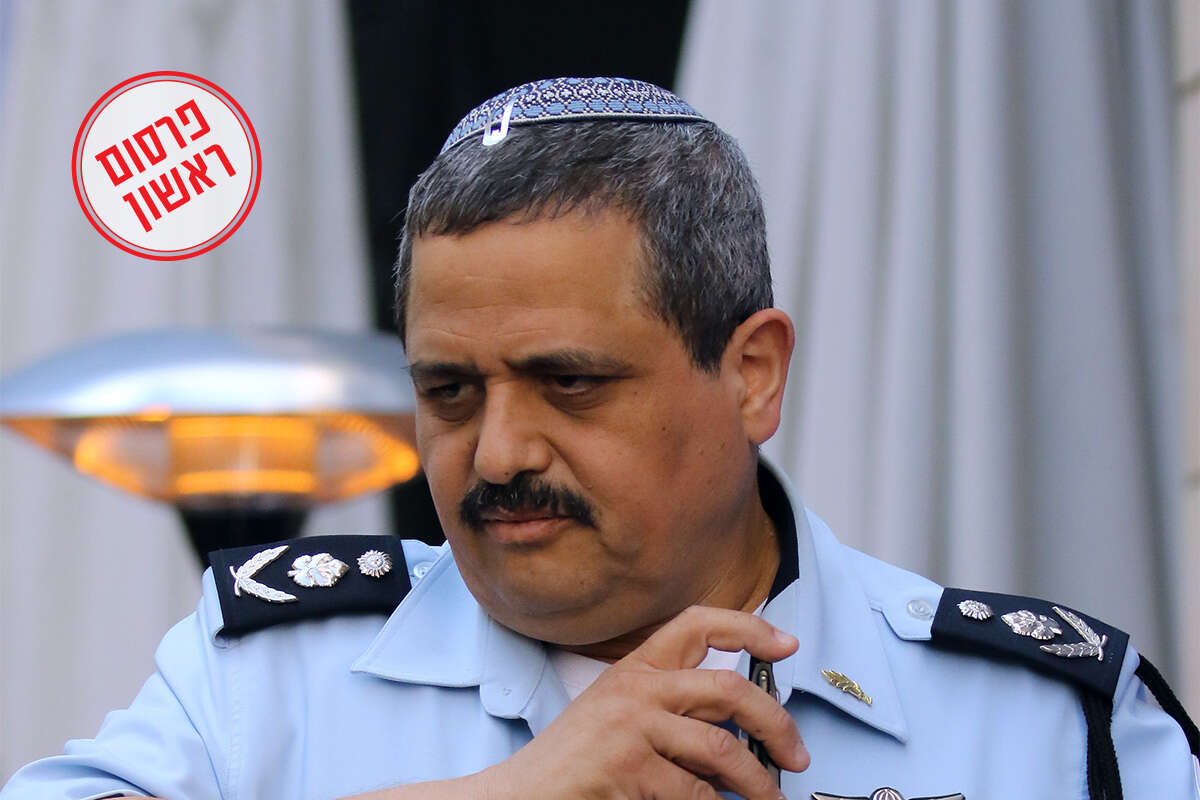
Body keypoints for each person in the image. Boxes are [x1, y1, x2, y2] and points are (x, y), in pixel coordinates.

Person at [3, 77, 1197, 800]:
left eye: (569, 382)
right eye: (449, 390)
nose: (498, 452)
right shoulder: (265, 680)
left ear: (752, 373)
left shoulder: (1047, 725)